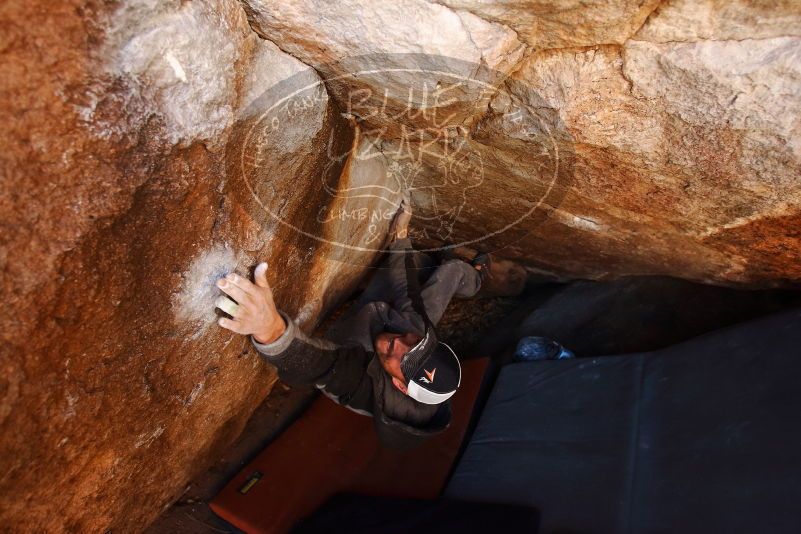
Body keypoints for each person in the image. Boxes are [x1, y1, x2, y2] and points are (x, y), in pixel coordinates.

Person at [214, 200, 488, 448]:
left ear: (401, 386)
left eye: (407, 360)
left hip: (354, 348)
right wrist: (401, 238)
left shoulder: (362, 385)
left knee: (311, 360)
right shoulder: (414, 332)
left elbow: (320, 365)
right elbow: (408, 290)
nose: (400, 342)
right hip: (379, 320)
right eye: (416, 343)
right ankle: (476, 280)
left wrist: (268, 328)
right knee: (445, 271)